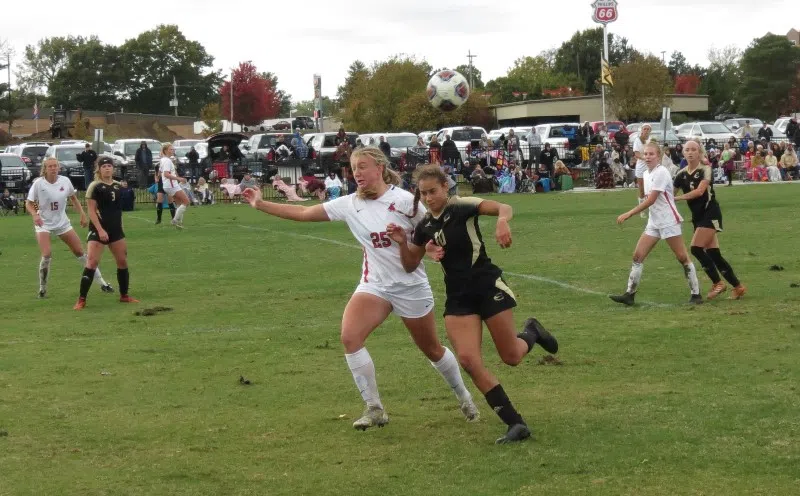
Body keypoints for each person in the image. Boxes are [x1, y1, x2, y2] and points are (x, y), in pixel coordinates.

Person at [241, 147, 478, 430]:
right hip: (374, 285)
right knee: (350, 337)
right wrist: (259, 204)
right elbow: (304, 213)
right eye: (353, 168)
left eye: (363, 166)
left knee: (431, 349)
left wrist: (430, 249)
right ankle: (374, 408)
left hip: (409, 285)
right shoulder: (350, 204)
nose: (357, 173)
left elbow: (431, 233)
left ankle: (464, 397)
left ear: (379, 167)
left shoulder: (406, 201)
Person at [387, 164, 559, 444]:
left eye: (433, 191)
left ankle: (532, 331)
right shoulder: (424, 227)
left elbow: (503, 207)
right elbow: (409, 265)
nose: (429, 198)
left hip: (486, 285)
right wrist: (401, 244)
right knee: (468, 360)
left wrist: (503, 222)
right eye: (423, 193)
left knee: (511, 357)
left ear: (446, 187)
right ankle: (515, 423)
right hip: (458, 297)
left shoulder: (461, 206)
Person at [610, 141, 702, 306]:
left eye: (651, 154)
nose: (647, 157)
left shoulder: (661, 172)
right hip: (654, 221)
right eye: (645, 154)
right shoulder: (646, 173)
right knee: (637, 256)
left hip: (668, 220)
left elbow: (652, 199)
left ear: (659, 156)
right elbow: (648, 198)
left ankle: (696, 294)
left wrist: (630, 213)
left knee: (682, 257)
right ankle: (629, 294)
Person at [25, 157, 114, 299]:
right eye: (50, 166)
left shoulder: (65, 181)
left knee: (80, 252)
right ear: (45, 169)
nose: (53, 168)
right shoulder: (38, 183)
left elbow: (73, 197)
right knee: (46, 254)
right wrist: (35, 215)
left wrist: (82, 214)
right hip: (44, 224)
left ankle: (103, 283)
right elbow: (29, 203)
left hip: (62, 223)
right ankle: (42, 289)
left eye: (55, 166)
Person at [673, 139, 746, 301]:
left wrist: (676, 199)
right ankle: (738, 287)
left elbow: (699, 192)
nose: (690, 152)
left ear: (700, 153)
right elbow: (670, 192)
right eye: (687, 149)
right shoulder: (681, 173)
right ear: (683, 153)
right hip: (697, 217)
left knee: (696, 248)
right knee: (714, 254)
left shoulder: (706, 169)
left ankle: (718, 283)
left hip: (711, 213)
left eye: (694, 149)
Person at [74, 157, 138, 310]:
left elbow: (118, 210)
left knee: (122, 261)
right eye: (104, 166)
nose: (107, 169)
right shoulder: (94, 186)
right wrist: (100, 230)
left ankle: (124, 295)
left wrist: (120, 227)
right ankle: (81, 299)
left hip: (115, 229)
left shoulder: (117, 186)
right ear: (99, 169)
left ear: (113, 168)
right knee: (92, 262)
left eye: (110, 166)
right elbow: (91, 210)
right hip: (98, 230)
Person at [159, 144, 191, 228]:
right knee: (186, 202)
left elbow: (161, 172)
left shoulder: (164, 160)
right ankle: (174, 220)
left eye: (173, 149)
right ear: (166, 151)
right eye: (171, 149)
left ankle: (179, 223)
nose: (173, 151)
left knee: (179, 203)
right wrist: (179, 178)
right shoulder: (167, 161)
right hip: (171, 185)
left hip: (168, 185)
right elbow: (166, 174)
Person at [632, 124, 653, 217]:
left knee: (651, 188)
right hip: (641, 167)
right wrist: (645, 158)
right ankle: (642, 210)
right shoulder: (637, 140)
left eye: (648, 129)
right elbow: (636, 154)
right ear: (642, 130)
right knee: (642, 190)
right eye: (645, 129)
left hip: (650, 166)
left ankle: (651, 208)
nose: (646, 131)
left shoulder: (650, 140)